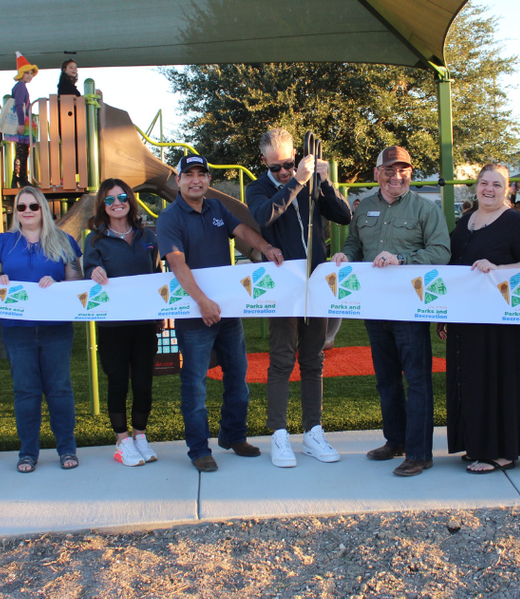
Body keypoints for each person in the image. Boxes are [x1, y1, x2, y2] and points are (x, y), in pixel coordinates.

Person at [157, 155, 285, 473]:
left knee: (238, 378)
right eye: (189, 175)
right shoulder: (169, 217)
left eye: (201, 174)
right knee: (195, 385)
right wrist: (202, 302)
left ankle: (233, 436)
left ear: (208, 180)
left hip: (227, 312)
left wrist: (266, 248)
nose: (196, 180)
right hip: (194, 315)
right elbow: (177, 264)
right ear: (178, 180)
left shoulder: (216, 208)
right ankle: (199, 450)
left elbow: (242, 230)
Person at [331, 146, 451, 477]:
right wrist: (345, 255)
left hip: (410, 307)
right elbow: (355, 243)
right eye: (389, 170)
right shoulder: (365, 208)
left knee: (417, 380)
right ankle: (395, 441)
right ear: (377, 173)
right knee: (386, 380)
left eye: (403, 170)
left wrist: (403, 260)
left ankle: (419, 453)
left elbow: (441, 251)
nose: (396, 176)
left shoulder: (425, 209)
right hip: (375, 305)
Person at [247, 128, 353, 468]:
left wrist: (324, 182)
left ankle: (313, 432)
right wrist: (296, 182)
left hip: (315, 282)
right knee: (281, 359)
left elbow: (344, 215)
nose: (283, 171)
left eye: (288, 165)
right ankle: (279, 434)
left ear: (296, 156)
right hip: (283, 286)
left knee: (313, 359)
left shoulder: (310, 182)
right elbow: (264, 215)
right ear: (264, 161)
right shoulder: (259, 188)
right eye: (275, 167)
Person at [437, 165, 520, 474]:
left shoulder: (513, 222)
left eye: (497, 184)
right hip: (467, 317)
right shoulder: (466, 221)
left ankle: (502, 452)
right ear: (476, 186)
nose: (489, 189)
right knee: (471, 380)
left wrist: (499, 268)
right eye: (484, 182)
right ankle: (477, 445)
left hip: (503, 321)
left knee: (499, 381)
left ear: (507, 189)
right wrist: (445, 312)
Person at [0, 186, 83, 473]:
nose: (27, 211)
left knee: (59, 388)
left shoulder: (64, 241)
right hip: (17, 328)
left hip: (56, 327)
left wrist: (58, 285)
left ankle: (66, 448)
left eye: (33, 206)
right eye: (21, 207)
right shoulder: (2, 242)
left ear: (43, 208)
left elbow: (76, 281)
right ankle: (28, 452)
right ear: (15, 211)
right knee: (25, 390)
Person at [83, 178, 162, 467]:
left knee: (143, 383)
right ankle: (122, 440)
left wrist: (160, 314)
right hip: (112, 325)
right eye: (110, 199)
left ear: (130, 199)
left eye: (122, 197)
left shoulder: (148, 236)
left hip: (144, 323)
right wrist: (93, 272)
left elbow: (157, 276)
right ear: (102, 205)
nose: (117, 203)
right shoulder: (95, 239)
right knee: (117, 382)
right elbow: (88, 273)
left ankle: (139, 435)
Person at [4, 51, 37, 188]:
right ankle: (19, 178)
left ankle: (20, 177)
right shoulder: (21, 87)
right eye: (27, 73)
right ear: (21, 73)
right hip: (22, 121)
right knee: (22, 152)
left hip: (23, 120)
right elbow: (18, 105)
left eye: (31, 73)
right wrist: (22, 124)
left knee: (22, 151)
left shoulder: (20, 86)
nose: (29, 76)